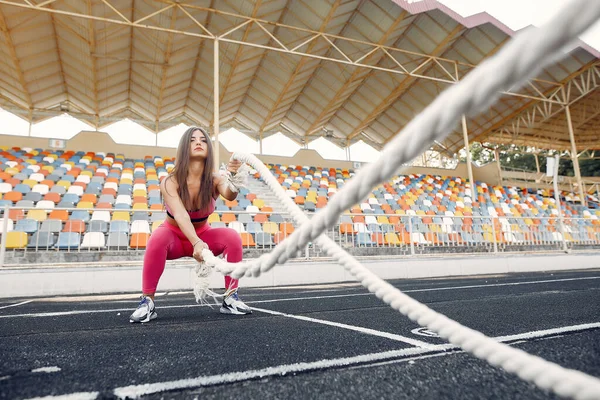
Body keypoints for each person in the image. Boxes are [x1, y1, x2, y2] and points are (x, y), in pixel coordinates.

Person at [130, 126, 252, 323]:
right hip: (174, 237)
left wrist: (234, 176)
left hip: (203, 236)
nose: (198, 142)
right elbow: (180, 215)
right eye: (192, 139)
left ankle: (230, 298)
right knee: (156, 239)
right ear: (184, 148)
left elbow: (230, 195)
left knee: (232, 237)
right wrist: (195, 242)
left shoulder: (215, 179)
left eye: (203, 140)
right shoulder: (170, 181)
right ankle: (147, 302)